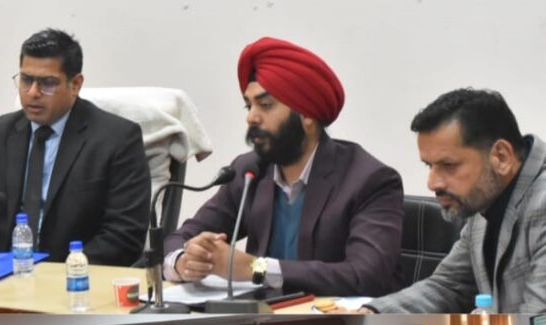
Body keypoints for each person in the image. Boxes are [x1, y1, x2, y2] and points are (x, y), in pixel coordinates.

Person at [164, 37, 403, 296]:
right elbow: (181, 237)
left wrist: (256, 268)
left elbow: (366, 276)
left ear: (307, 114)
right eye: (249, 105)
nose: (251, 117)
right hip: (264, 312)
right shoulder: (249, 172)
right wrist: (185, 261)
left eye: (265, 105)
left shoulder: (369, 180)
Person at [0, 28, 151, 266]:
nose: (33, 93)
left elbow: (124, 236)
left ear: (75, 84)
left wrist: (61, 273)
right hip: (0, 278)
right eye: (26, 80)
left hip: (76, 277)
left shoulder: (117, 139)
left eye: (47, 83)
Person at [366, 89, 546, 313]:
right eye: (429, 166)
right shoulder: (484, 200)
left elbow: (539, 323)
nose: (432, 183)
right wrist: (372, 313)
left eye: (448, 165)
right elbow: (448, 286)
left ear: (501, 157)